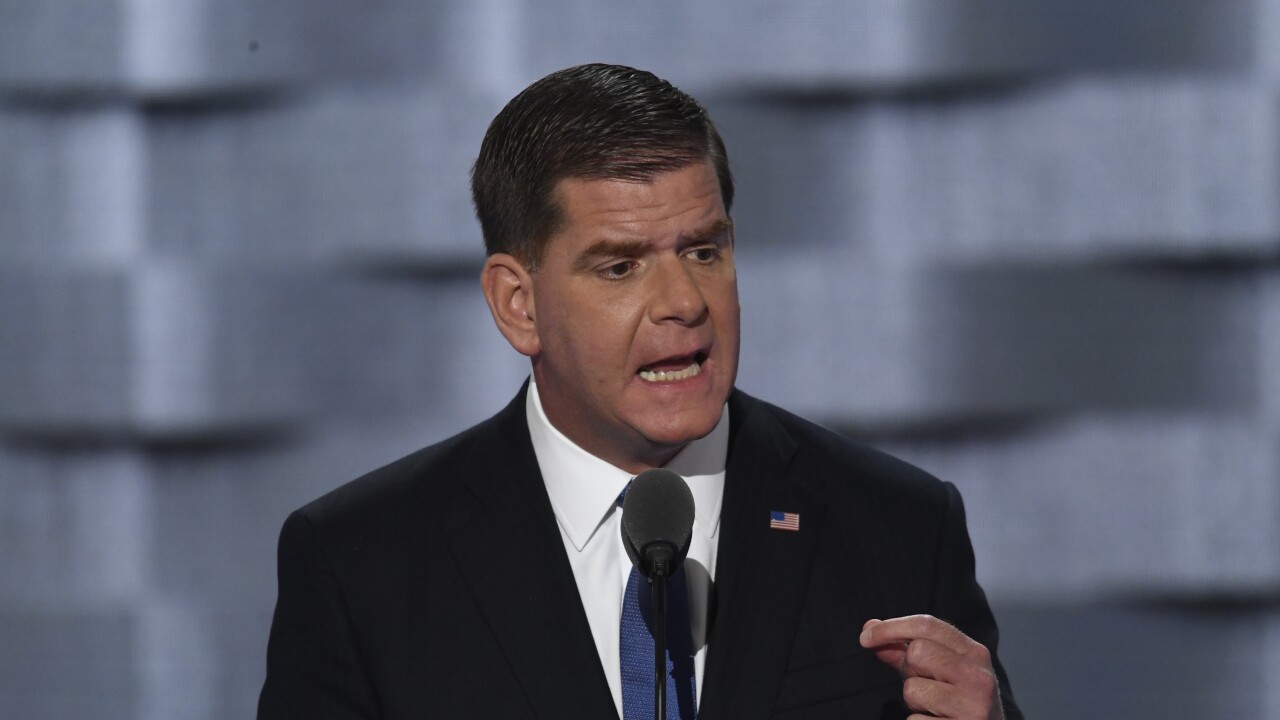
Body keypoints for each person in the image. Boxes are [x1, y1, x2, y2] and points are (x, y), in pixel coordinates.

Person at [258, 63, 1023, 720]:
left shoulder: (899, 527)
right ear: (519, 305)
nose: (684, 302)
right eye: (621, 266)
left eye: (704, 251)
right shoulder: (360, 567)